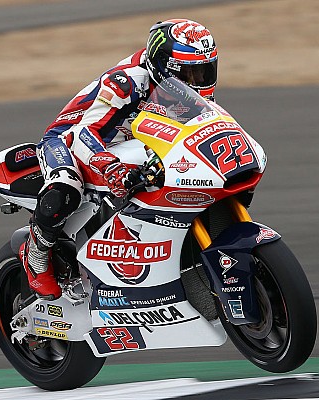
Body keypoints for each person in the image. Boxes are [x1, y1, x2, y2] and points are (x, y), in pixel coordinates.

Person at [19, 18, 219, 299]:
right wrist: (110, 167)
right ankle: (36, 254)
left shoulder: (184, 92)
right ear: (163, 66)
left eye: (203, 71)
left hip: (129, 141)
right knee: (66, 185)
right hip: (70, 139)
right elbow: (85, 133)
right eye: (188, 73)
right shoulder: (127, 82)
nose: (196, 81)